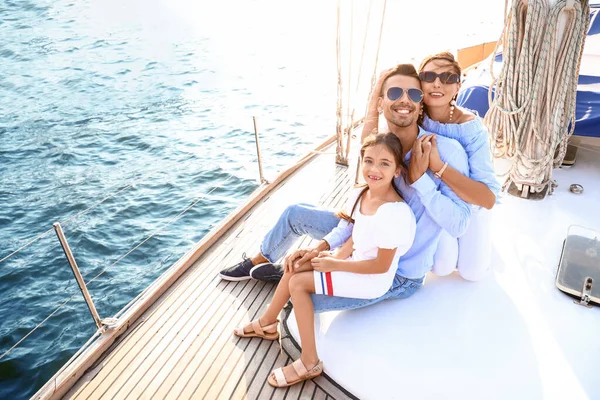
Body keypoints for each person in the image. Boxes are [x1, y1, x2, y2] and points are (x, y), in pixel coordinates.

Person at [220, 63, 470, 311]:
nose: (404, 100)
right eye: (394, 93)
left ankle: (284, 276)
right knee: (295, 214)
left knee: (295, 301)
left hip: (395, 271)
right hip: (365, 239)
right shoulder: (385, 146)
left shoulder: (442, 151)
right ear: (383, 102)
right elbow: (366, 146)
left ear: (420, 104)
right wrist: (323, 249)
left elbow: (459, 224)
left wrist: (421, 180)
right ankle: (261, 260)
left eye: (413, 94)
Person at [234, 132, 417, 388]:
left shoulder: (394, 213)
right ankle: (267, 324)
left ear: (397, 170)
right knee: (296, 264)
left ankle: (310, 361)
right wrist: (318, 251)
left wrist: (336, 264)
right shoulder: (362, 194)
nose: (374, 169)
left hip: (372, 279)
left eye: (384, 163)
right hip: (352, 261)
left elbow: (381, 266)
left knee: (298, 284)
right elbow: (354, 233)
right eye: (369, 161)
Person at [363, 52, 501, 281]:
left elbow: (487, 199)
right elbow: (370, 145)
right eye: (429, 76)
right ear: (420, 84)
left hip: (472, 202)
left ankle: (482, 241)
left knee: (472, 272)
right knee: (442, 267)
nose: (438, 83)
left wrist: (438, 167)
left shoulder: (471, 129)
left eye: (448, 78)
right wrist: (376, 94)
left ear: (458, 86)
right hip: (438, 200)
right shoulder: (413, 112)